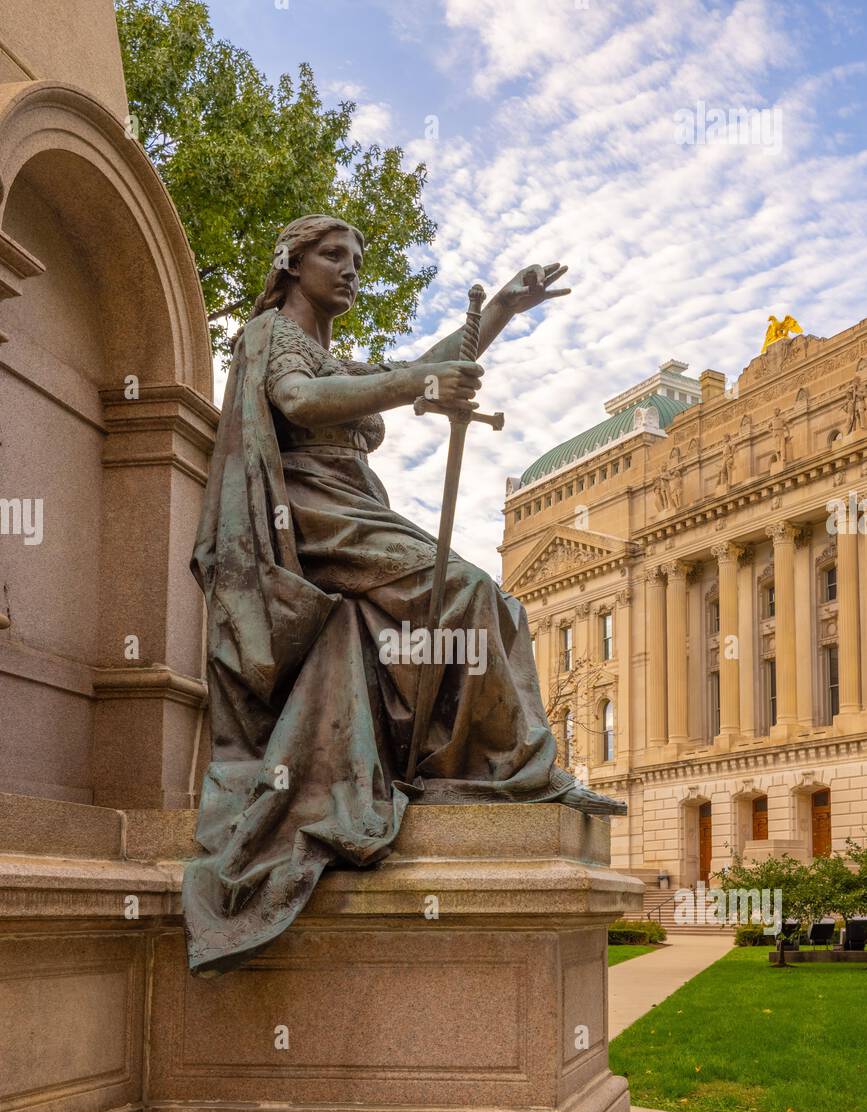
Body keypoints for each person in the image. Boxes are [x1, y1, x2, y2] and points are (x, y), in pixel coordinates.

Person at [183, 214, 625, 975]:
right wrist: (418, 384)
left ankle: (469, 767)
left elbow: (421, 364)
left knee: (499, 605)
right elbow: (299, 402)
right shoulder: (268, 338)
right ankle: (518, 769)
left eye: (357, 257)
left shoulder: (331, 352)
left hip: (355, 508)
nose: (349, 269)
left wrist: (496, 316)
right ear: (290, 262)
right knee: (467, 592)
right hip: (306, 520)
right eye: (333, 255)